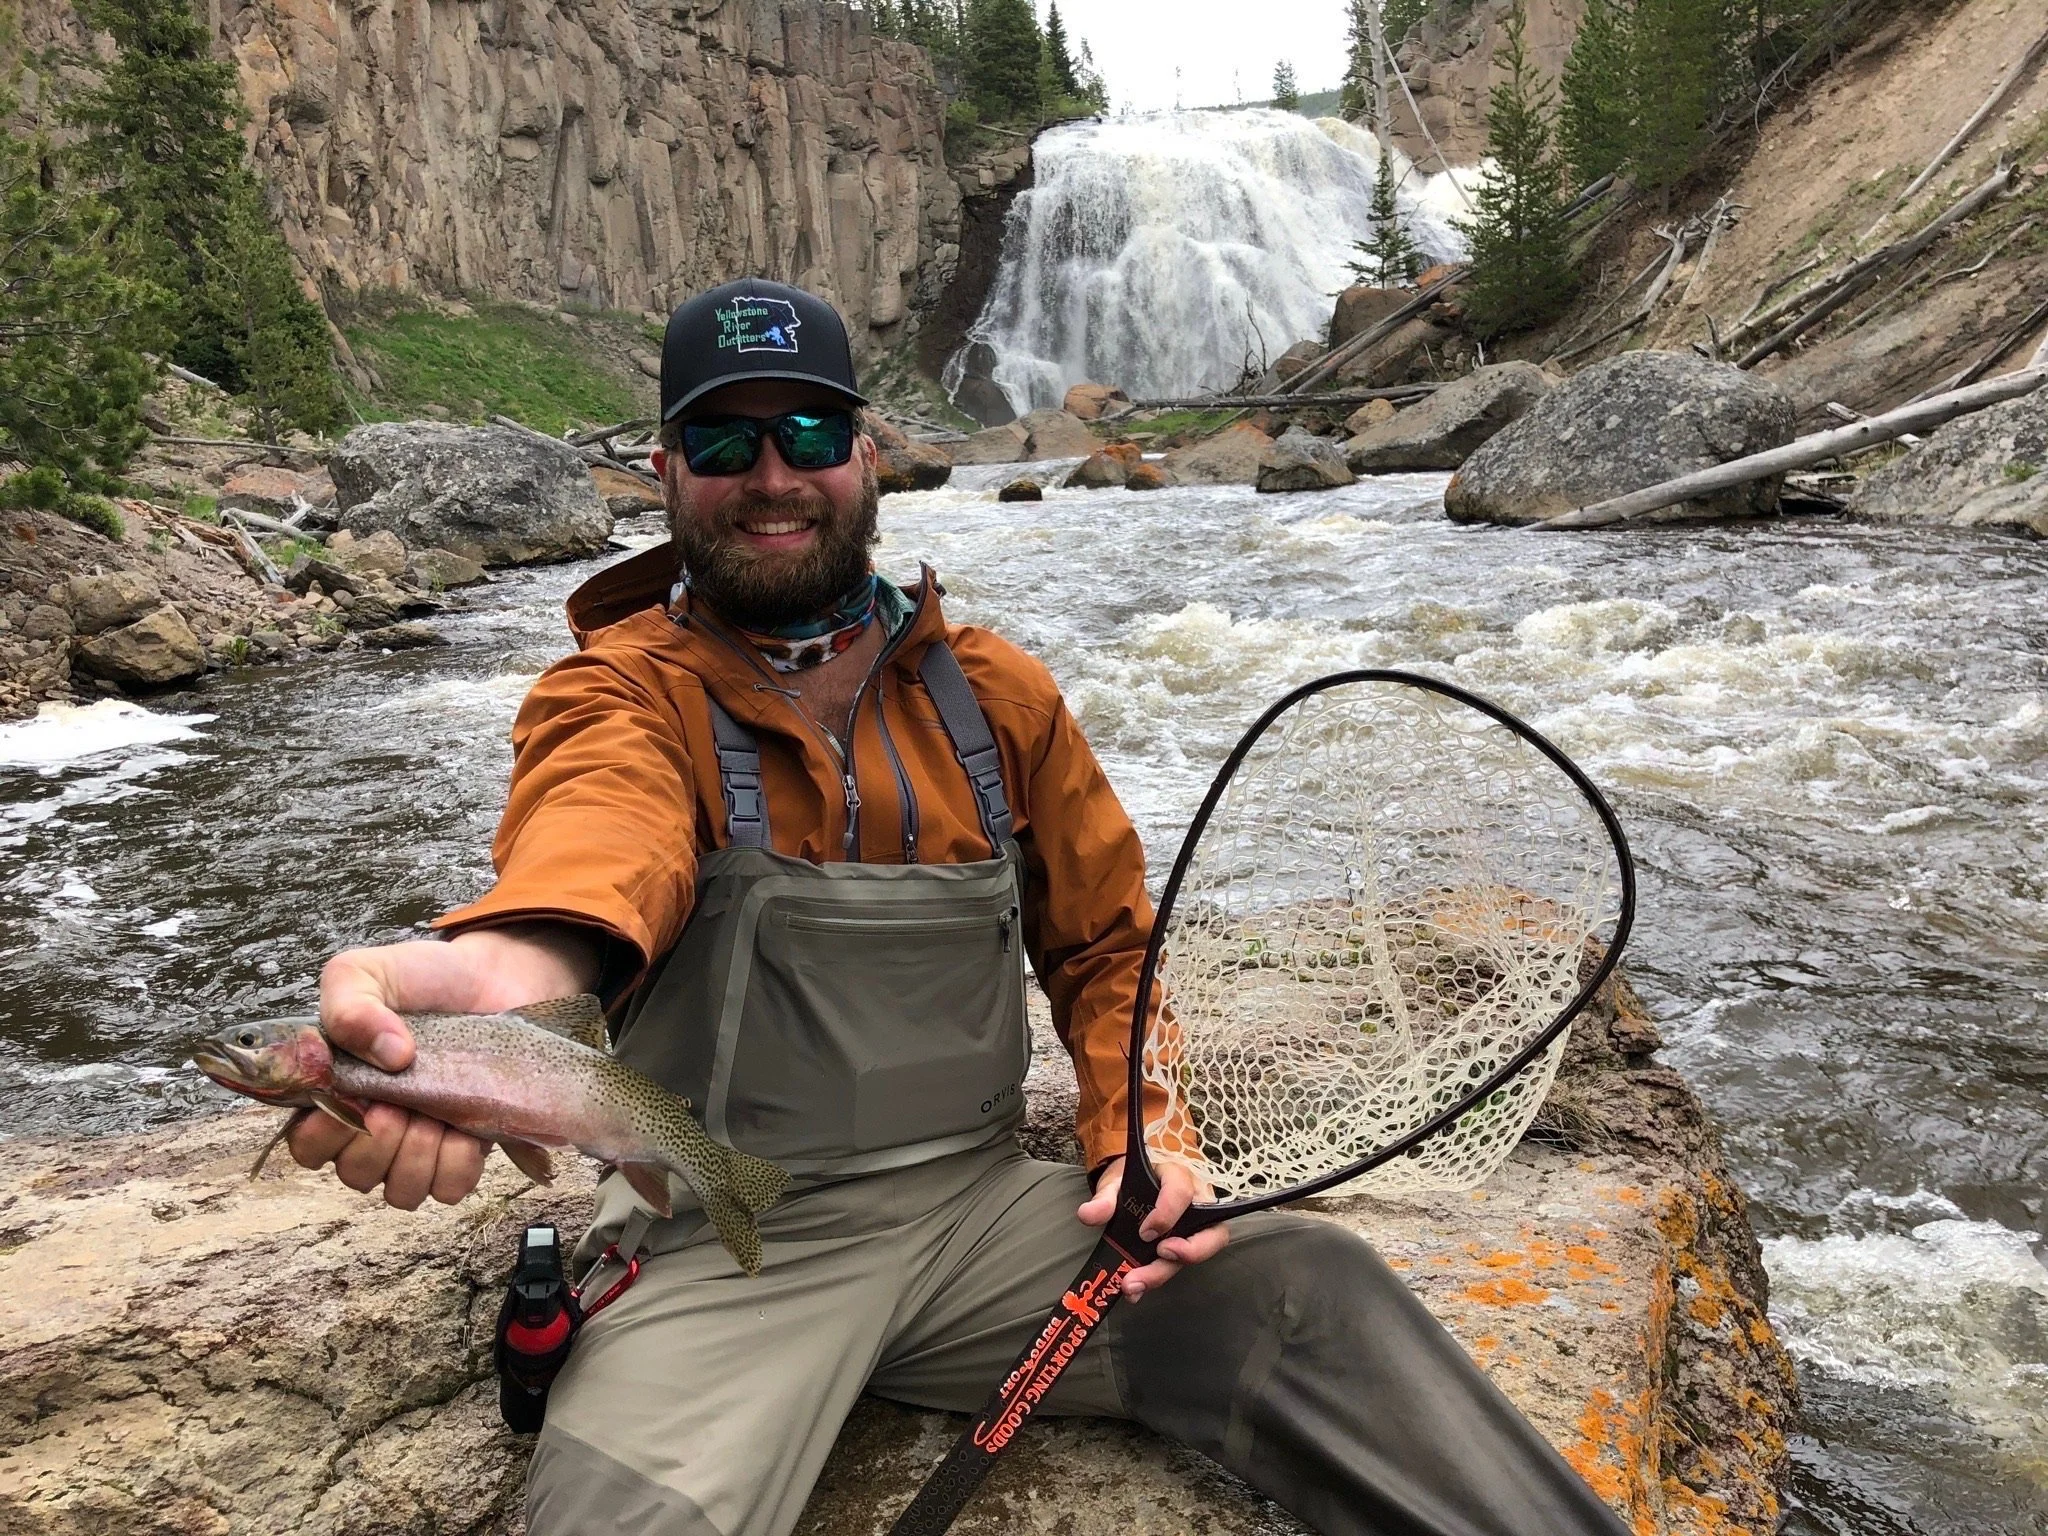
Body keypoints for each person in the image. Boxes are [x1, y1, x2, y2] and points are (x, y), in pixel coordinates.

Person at [288, 278, 1631, 1536]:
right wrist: (514, 972)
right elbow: (595, 846)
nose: (771, 479)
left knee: (1306, 1293)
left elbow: (1108, 946)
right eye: (723, 445)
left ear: (868, 453)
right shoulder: (616, 694)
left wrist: (1139, 1138)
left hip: (986, 1223)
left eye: (807, 430)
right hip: (723, 1245)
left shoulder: (1001, 697)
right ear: (665, 475)